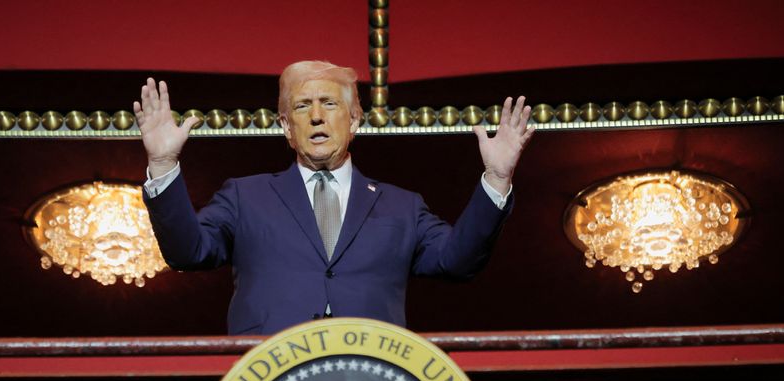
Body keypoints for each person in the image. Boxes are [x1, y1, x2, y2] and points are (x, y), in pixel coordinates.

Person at [134, 60, 533, 335]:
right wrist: (164, 163)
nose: (317, 116)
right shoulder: (245, 195)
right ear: (287, 128)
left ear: (355, 120)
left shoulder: (402, 206)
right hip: (270, 372)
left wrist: (497, 178)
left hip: (370, 374)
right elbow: (189, 252)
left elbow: (457, 261)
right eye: (302, 107)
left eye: (329, 103)